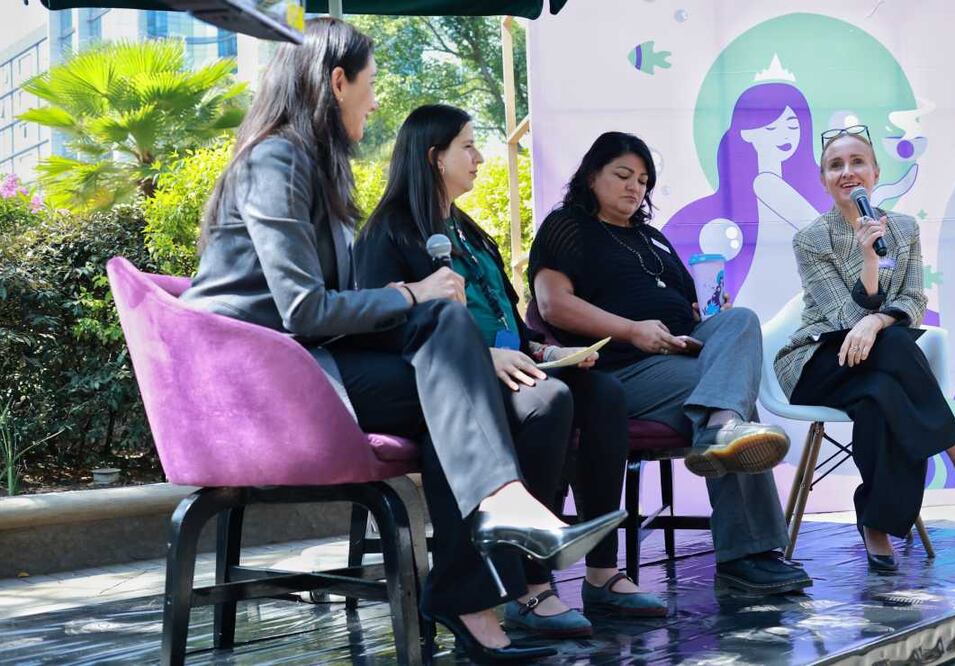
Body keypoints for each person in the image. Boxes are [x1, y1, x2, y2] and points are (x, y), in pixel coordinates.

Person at [179, 19, 621, 662]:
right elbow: (303, 309)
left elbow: (335, 310)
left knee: (452, 347)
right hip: (259, 385)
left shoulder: (311, 169)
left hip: (307, 367)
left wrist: (436, 312)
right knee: (456, 364)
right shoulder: (277, 158)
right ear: (337, 82)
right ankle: (486, 550)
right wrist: (414, 294)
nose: (377, 99)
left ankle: (481, 567)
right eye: (371, 83)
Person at [356, 104, 667, 639]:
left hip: (512, 365)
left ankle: (600, 570)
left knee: (604, 392)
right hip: (452, 385)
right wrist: (484, 360)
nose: (480, 158)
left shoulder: (471, 232)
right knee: (548, 402)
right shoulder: (389, 231)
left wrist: (546, 352)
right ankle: (528, 583)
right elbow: (384, 329)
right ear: (434, 158)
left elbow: (508, 319)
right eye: (469, 147)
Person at [529, 131, 812, 595]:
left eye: (643, 180)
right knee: (736, 411)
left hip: (681, 354)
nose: (634, 188)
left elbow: (695, 310)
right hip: (619, 367)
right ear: (591, 175)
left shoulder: (653, 239)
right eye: (622, 175)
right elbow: (554, 304)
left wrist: (699, 325)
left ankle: (719, 427)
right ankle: (748, 550)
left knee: (740, 320)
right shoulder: (567, 226)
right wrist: (633, 329)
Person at [774, 128, 955, 572]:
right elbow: (844, 317)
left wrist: (878, 318)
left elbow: (914, 300)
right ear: (824, 179)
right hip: (817, 361)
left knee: (882, 396)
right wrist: (868, 266)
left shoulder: (903, 229)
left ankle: (877, 523)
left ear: (875, 171)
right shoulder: (811, 238)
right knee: (897, 344)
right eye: (835, 165)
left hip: (877, 363)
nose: (847, 172)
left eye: (857, 162)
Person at [664, 81, 831, 319]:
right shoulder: (765, 183)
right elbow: (822, 232)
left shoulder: (776, 183)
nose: (785, 136)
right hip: (769, 294)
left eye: (792, 126)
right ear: (747, 132)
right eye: (772, 129)